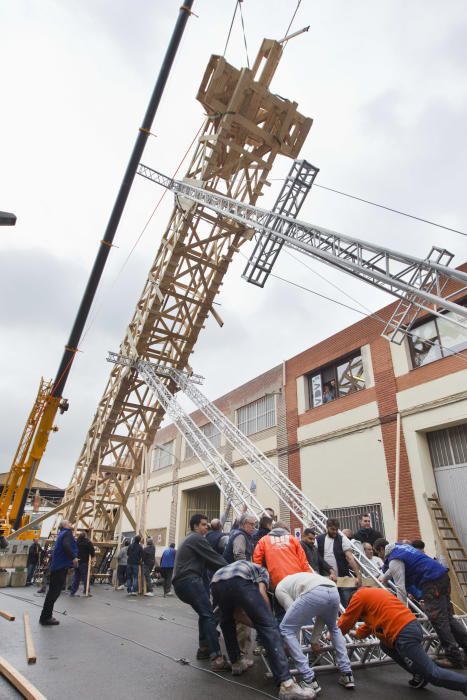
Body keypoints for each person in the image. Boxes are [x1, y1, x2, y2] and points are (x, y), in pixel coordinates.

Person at [211, 560, 315, 699]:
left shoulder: (238, 567)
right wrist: (268, 624)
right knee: (269, 627)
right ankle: (287, 685)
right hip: (239, 580)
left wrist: (259, 625)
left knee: (227, 623)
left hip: (216, 582)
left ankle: (236, 663)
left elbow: (237, 614)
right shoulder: (263, 571)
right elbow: (261, 593)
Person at [338, 586, 467, 694]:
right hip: (410, 626)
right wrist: (356, 634)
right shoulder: (374, 596)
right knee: (385, 645)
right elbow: (370, 626)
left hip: (403, 633)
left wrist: (335, 633)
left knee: (433, 674)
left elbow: (347, 619)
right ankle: (418, 674)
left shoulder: (359, 596)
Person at [375, 539, 467, 668]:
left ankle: (454, 658)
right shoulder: (400, 548)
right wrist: (384, 578)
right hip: (441, 576)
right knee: (448, 618)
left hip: (431, 581)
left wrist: (402, 612)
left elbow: (400, 587)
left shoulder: (394, 559)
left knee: (439, 620)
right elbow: (395, 569)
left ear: (380, 549)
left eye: (378, 553)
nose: (379, 556)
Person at [276, 571, 355, 692]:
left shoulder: (279, 589)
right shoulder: (297, 578)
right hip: (333, 590)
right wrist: (314, 640)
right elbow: (321, 616)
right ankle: (347, 674)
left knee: (286, 629)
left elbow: (292, 625)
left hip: (314, 591)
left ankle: (309, 679)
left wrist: (292, 648)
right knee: (333, 627)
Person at [172, 513, 229, 669]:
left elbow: (209, 563)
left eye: (207, 524)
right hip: (189, 580)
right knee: (208, 615)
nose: (206, 527)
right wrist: (233, 568)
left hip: (182, 583)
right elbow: (214, 558)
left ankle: (203, 648)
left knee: (204, 613)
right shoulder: (197, 539)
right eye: (204, 524)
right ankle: (217, 657)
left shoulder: (189, 539)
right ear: (196, 526)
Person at [39, 520, 78, 626]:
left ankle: (46, 616)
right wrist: (73, 558)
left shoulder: (61, 533)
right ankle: (45, 618)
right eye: (70, 523)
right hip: (60, 567)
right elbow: (66, 546)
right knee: (53, 593)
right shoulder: (67, 533)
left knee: (52, 592)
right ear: (65, 525)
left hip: (57, 566)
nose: (71, 524)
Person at [253, 521, 311, 590]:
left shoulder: (263, 540)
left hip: (277, 582)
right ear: (284, 528)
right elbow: (303, 561)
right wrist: (309, 578)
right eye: (288, 529)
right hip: (296, 580)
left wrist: (261, 579)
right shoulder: (293, 539)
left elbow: (256, 561)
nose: (289, 531)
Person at [316, 519, 362, 607]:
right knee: (328, 606)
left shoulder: (342, 539)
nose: (335, 532)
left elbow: (350, 557)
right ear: (327, 527)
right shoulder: (319, 539)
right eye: (332, 529)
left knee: (345, 604)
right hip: (326, 579)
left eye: (336, 529)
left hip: (342, 579)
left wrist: (358, 574)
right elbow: (316, 558)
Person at [70, 530, 95, 596]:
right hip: (84, 562)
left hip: (76, 561)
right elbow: (92, 552)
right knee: (85, 578)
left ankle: (73, 591)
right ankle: (86, 591)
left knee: (76, 577)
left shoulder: (77, 541)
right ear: (85, 536)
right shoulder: (88, 542)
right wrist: (93, 558)